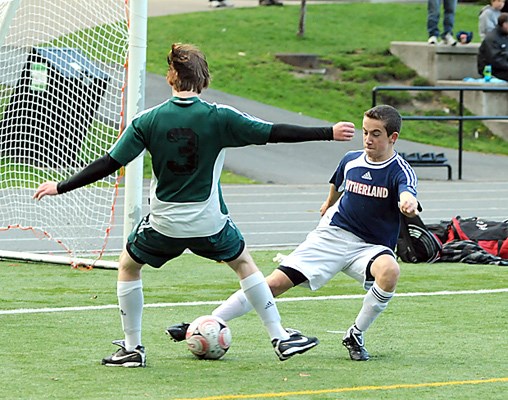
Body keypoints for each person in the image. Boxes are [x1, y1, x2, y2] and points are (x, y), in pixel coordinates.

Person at [33, 43, 356, 367]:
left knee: (129, 267)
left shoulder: (147, 120)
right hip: (209, 223)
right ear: (204, 80)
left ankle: (132, 348)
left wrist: (60, 186)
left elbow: (109, 162)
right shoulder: (221, 118)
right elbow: (275, 133)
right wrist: (328, 132)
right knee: (244, 264)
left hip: (164, 225)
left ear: (171, 77)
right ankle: (280, 338)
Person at [167, 105, 420, 362]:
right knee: (273, 284)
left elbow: (407, 192)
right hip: (332, 236)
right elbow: (337, 182)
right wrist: (328, 203)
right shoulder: (351, 159)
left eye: (376, 134)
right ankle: (209, 322)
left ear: (393, 137)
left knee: (390, 271)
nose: (368, 139)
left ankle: (355, 334)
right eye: (365, 132)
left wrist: (408, 203)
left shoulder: (399, 170)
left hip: (370, 248)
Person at [478, 13, 508, 81]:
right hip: (493, 71)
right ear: (504, 24)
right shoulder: (491, 38)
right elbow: (495, 59)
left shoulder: (505, 36)